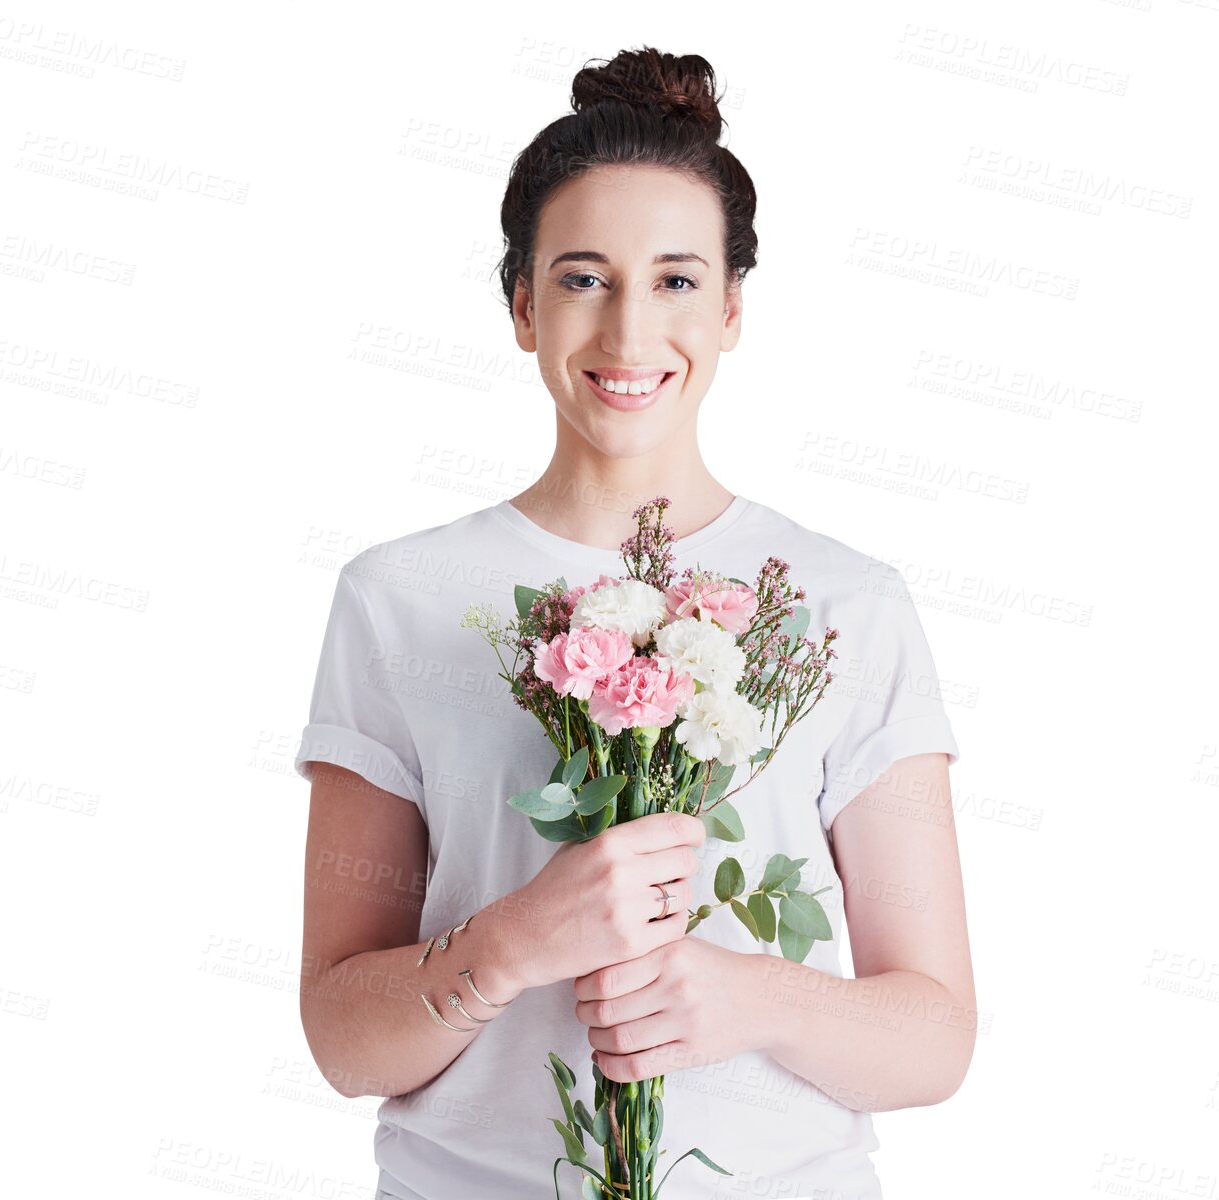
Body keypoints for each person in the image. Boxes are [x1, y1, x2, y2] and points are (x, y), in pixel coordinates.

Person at [293, 47, 976, 1200]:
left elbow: (934, 1035)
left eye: (673, 279)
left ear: (731, 307)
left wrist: (746, 994)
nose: (626, 333)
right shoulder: (398, 596)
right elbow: (342, 1039)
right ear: (519, 304)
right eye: (580, 277)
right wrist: (512, 944)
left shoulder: (845, 603)